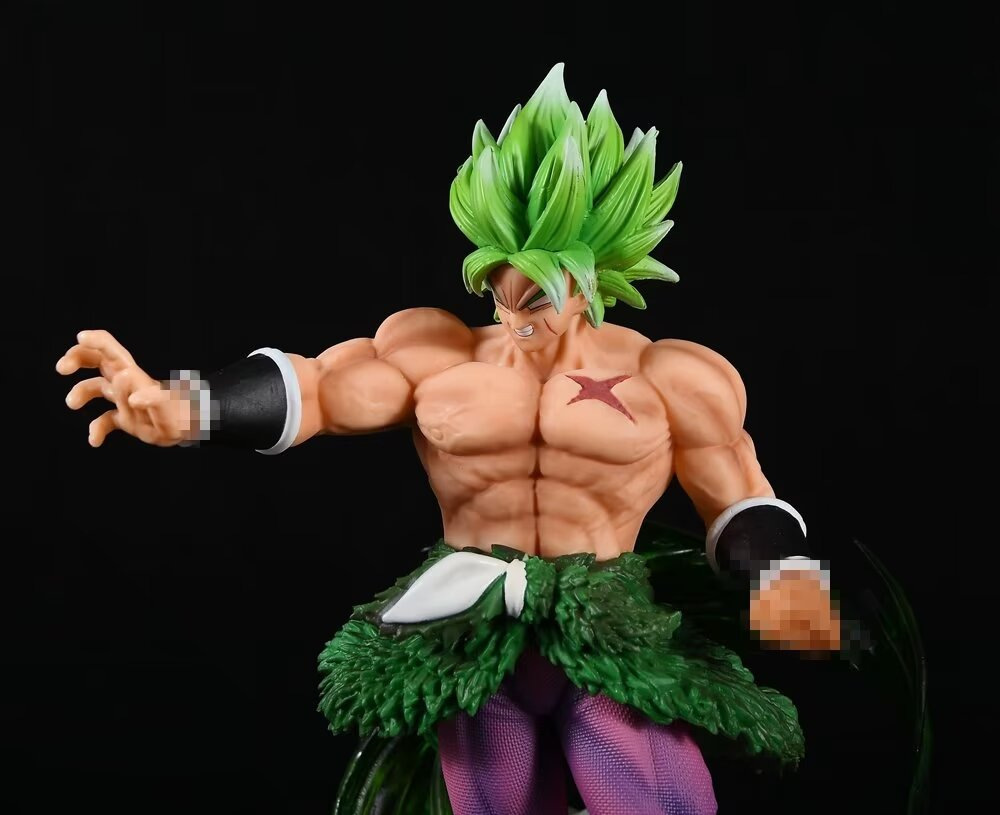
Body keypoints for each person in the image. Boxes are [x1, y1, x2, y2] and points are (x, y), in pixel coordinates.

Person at [58, 64, 841, 815]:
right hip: (470, 634)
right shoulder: (439, 355)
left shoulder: (668, 376)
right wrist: (189, 407)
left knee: (655, 798)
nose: (513, 313)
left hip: (609, 630)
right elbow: (323, 388)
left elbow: (738, 493)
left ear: (592, 278)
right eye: (499, 285)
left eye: (538, 294)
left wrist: (782, 577)